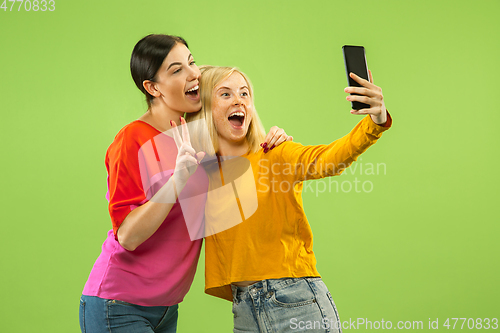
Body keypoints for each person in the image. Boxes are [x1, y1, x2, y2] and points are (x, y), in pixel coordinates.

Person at [79, 35, 290, 333]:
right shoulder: (133, 140)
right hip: (118, 304)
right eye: (176, 70)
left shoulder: (201, 134)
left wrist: (272, 142)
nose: (193, 74)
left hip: (167, 308)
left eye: (191, 62)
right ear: (153, 88)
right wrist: (177, 180)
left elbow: (242, 185)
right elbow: (127, 235)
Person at [186, 65, 392, 332]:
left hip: (295, 299)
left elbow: (328, 160)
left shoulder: (274, 154)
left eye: (245, 93)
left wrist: (375, 122)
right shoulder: (201, 174)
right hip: (244, 310)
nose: (239, 100)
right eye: (225, 94)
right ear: (204, 107)